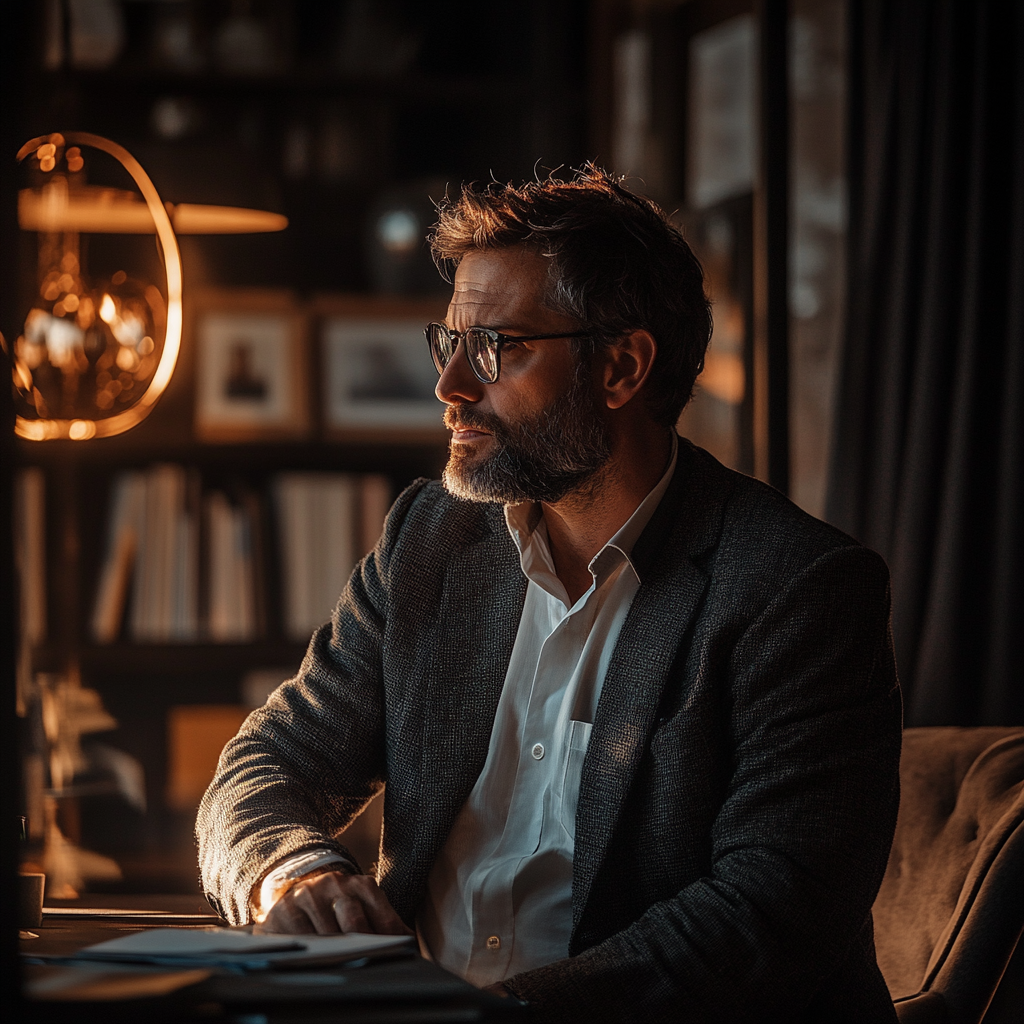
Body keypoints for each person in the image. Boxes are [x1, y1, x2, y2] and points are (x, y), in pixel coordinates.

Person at [198, 167, 902, 1023]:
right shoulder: (429, 541)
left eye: (495, 347)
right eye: (446, 342)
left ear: (622, 367)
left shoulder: (798, 589)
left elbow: (769, 914)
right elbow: (263, 767)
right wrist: (290, 867)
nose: (450, 385)